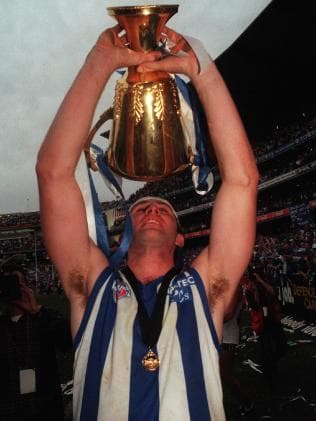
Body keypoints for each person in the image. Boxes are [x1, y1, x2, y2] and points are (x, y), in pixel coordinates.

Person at [36, 25, 259, 420]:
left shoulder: (207, 287)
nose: (152, 208)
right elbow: (53, 173)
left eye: (164, 209)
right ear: (123, 233)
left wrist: (200, 70)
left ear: (179, 237)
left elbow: (242, 181)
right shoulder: (92, 284)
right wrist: (98, 65)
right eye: (141, 207)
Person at [0, 265, 72, 421]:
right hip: (10, 409)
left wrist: (37, 311)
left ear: (26, 287)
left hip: (44, 406)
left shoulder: (42, 319)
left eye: (16, 284)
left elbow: (68, 340)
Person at [219, 286, 254, 417]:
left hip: (227, 337)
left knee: (226, 375)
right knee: (219, 375)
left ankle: (246, 403)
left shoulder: (235, 289)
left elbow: (228, 316)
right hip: (220, 335)